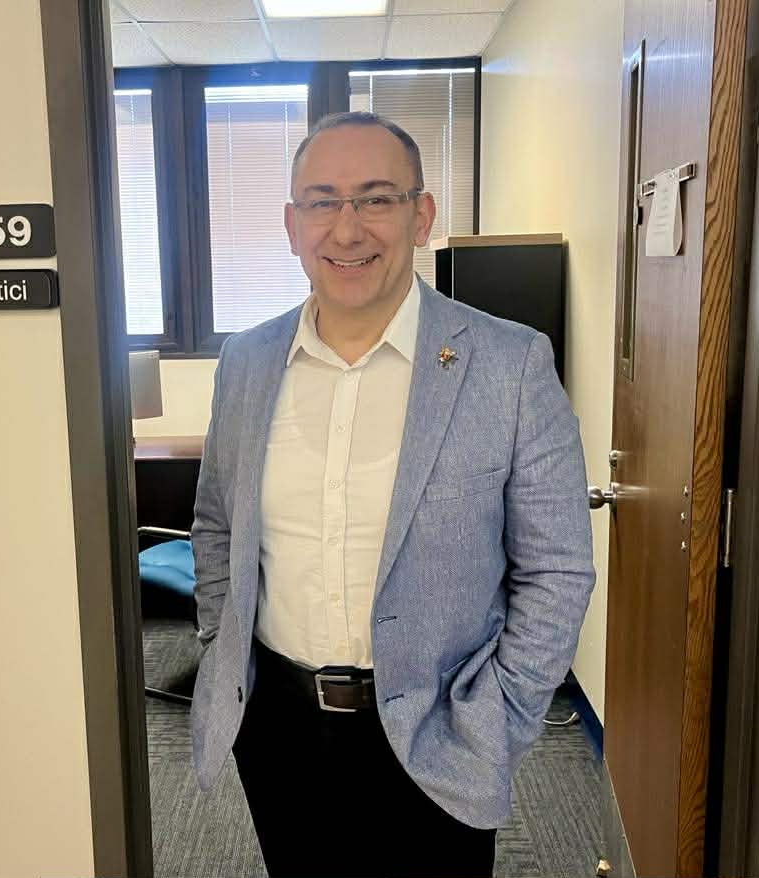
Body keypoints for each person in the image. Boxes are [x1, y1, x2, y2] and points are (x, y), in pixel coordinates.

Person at [190, 111, 595, 878]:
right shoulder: (245, 363)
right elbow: (216, 525)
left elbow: (557, 570)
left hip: (441, 728)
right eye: (321, 201)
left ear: (421, 214)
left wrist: (499, 720)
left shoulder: (508, 365)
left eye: (376, 198)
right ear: (291, 223)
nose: (347, 230)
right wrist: (221, 648)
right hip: (277, 726)